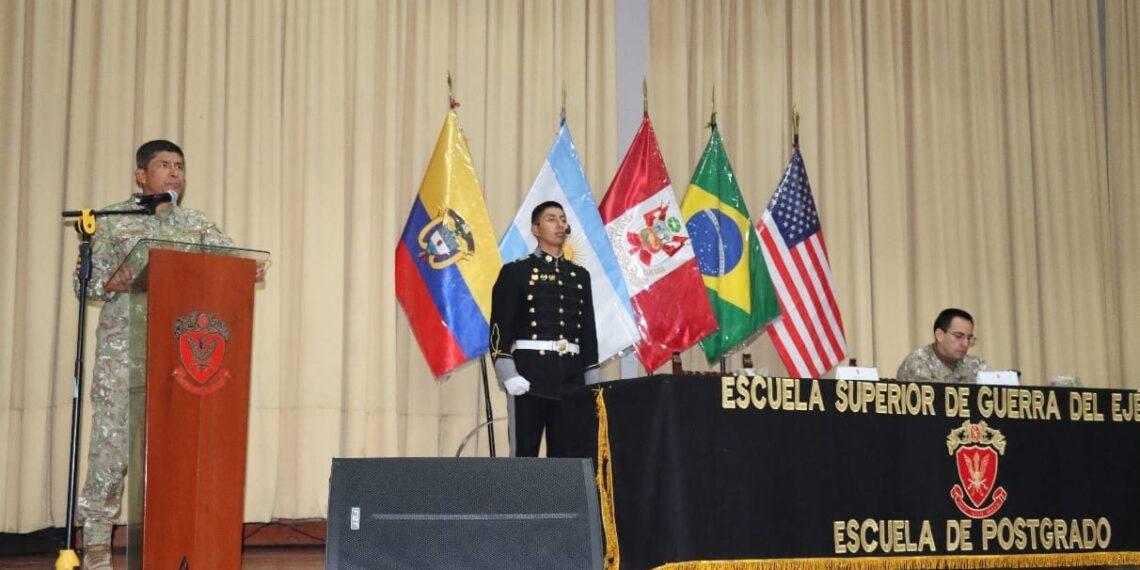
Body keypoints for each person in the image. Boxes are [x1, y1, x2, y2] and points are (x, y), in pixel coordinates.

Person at [73, 140, 234, 569]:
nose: (175, 173)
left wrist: (244, 269)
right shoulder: (111, 220)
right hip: (123, 357)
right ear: (141, 174)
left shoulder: (196, 224)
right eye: (164, 165)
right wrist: (112, 278)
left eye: (180, 165)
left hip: (181, 360)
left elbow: (233, 263)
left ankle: (172, 542)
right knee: (111, 450)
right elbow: (86, 285)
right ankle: (96, 543)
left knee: (174, 453)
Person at [489, 201, 600, 457]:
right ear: (536, 229)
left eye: (563, 219)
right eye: (551, 219)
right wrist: (508, 373)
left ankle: (560, 488)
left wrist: (592, 383)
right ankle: (522, 489)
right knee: (524, 456)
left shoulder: (579, 276)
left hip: (571, 379)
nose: (560, 224)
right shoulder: (516, 271)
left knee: (567, 457)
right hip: (529, 376)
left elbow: (588, 333)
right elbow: (499, 328)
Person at [896, 308, 988, 384]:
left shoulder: (976, 364)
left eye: (969, 338)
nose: (965, 344)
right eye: (958, 336)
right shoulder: (918, 363)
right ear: (939, 335)